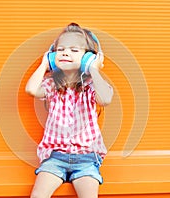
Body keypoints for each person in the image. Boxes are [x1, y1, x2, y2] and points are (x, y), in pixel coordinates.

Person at [25, 22, 113, 198]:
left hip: (87, 158)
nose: (65, 53)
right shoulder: (52, 84)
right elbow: (31, 90)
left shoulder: (91, 86)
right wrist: (44, 63)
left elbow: (105, 99)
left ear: (89, 57)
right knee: (38, 195)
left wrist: (93, 69)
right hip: (55, 158)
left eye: (74, 50)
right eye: (61, 49)